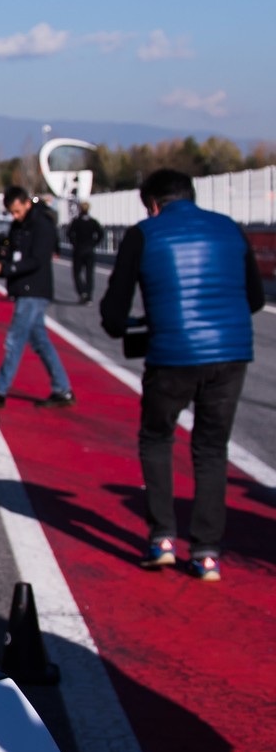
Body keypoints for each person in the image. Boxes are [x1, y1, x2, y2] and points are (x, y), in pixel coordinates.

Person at [100, 169, 263, 582]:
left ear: (152, 204)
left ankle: (162, 540)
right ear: (191, 196)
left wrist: (131, 326)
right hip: (230, 354)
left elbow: (113, 313)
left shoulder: (143, 234)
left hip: (172, 354)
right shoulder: (230, 229)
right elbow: (256, 298)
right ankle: (207, 553)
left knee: (157, 438)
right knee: (211, 450)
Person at [0, 187, 74, 410]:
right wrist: (0, 264)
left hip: (34, 290)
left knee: (15, 340)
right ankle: (62, 389)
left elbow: (37, 260)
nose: (15, 216)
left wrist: (7, 267)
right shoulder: (18, 226)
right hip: (24, 289)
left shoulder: (42, 226)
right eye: (12, 213)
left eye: (18, 211)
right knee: (40, 342)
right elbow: (14, 254)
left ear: (27, 204)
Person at [65, 202, 104, 304]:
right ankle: (89, 295)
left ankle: (82, 292)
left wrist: (74, 243)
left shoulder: (76, 221)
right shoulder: (93, 222)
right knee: (89, 274)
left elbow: (69, 233)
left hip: (78, 251)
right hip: (90, 251)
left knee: (77, 273)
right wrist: (93, 243)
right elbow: (100, 233)